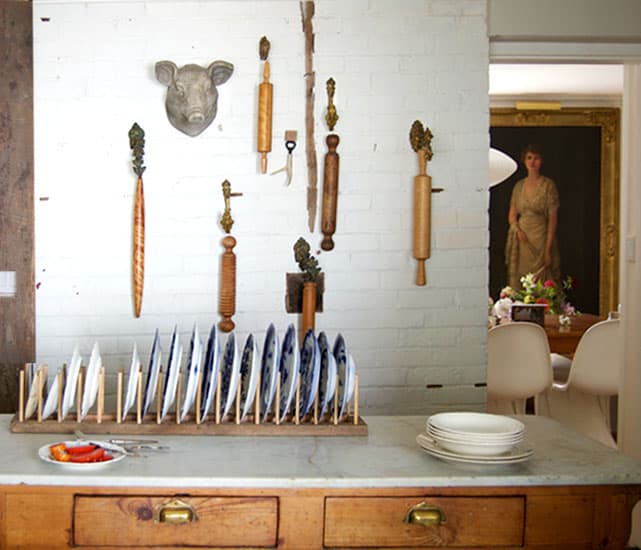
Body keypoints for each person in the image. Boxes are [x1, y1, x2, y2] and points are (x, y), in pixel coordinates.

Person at [505, 144, 560, 289]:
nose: (532, 162)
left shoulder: (548, 185)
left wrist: (547, 249)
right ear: (524, 160)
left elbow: (553, 220)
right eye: (529, 158)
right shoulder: (518, 186)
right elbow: (512, 215)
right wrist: (517, 230)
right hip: (522, 239)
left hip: (541, 238)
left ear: (541, 161)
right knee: (521, 280)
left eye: (536, 158)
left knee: (541, 281)